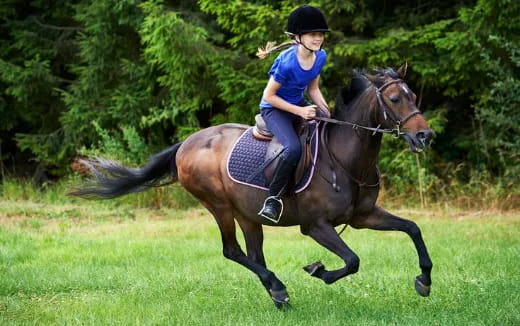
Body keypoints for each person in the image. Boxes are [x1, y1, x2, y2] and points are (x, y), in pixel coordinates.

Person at [257, 5, 331, 221]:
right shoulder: (287, 62)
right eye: (312, 34)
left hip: (299, 103)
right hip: (274, 109)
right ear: (297, 37)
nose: (318, 39)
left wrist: (327, 112)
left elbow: (313, 89)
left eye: (320, 35)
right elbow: (269, 96)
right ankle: (273, 199)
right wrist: (300, 110)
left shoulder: (320, 56)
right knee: (292, 148)